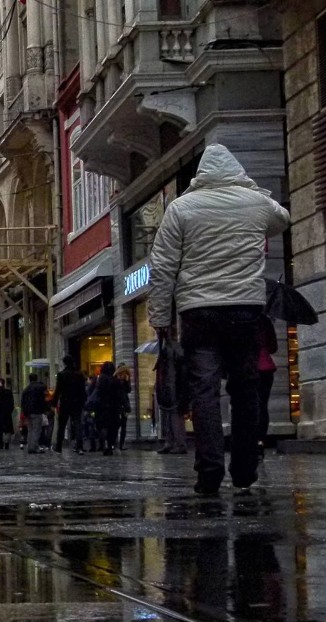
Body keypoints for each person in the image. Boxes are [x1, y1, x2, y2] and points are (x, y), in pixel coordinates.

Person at [148, 143, 291, 494]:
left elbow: (163, 267)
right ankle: (244, 469)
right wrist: (250, 189)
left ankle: (209, 471)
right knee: (246, 390)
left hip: (198, 312)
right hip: (245, 309)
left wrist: (160, 316)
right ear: (236, 170)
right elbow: (282, 218)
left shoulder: (181, 208)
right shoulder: (255, 203)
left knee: (204, 390)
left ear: (201, 174)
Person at [88, 361, 127, 456]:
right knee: (112, 427)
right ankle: (109, 445)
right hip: (113, 407)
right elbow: (121, 394)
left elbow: (95, 391)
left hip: (101, 407)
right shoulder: (115, 379)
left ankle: (105, 443)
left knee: (101, 426)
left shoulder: (100, 379)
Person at [51, 356, 87, 455]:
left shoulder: (61, 375)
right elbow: (83, 391)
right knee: (78, 424)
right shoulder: (79, 375)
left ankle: (58, 447)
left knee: (62, 425)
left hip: (65, 403)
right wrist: (83, 402)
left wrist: (53, 404)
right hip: (77, 403)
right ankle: (79, 447)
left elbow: (58, 391)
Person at [255, 316, 278, 455]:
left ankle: (251, 440)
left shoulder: (243, 320)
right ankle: (260, 440)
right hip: (266, 367)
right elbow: (273, 347)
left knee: (249, 406)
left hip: (250, 367)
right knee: (262, 405)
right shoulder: (266, 321)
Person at [21, 374, 49, 455]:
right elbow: (44, 387)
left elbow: (23, 401)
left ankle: (30, 446)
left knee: (30, 430)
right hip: (37, 411)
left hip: (28, 412)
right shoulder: (39, 387)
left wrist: (24, 412)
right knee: (37, 430)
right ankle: (34, 447)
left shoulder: (26, 389)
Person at [115, 365, 133, 450]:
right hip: (117, 404)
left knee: (123, 426)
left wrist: (126, 381)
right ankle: (113, 443)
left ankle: (121, 444)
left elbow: (128, 390)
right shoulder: (116, 380)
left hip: (124, 405)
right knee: (116, 425)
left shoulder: (125, 380)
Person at [0, 379, 16, 449]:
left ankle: (1, 444)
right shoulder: (8, 392)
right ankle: (6, 443)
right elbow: (12, 403)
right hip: (7, 413)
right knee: (7, 429)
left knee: (0, 430)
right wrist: (10, 411)